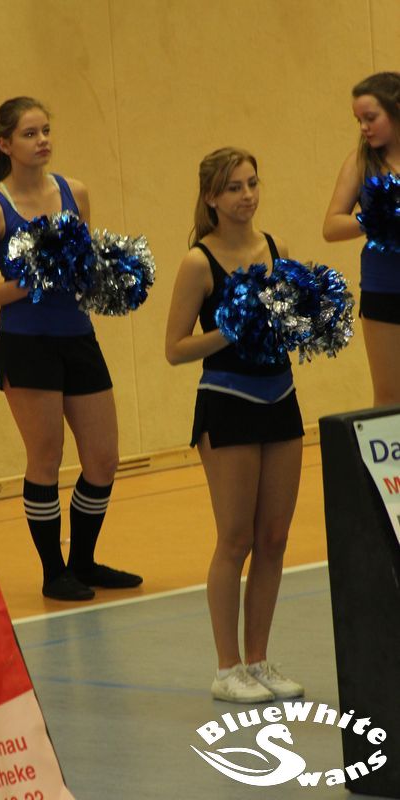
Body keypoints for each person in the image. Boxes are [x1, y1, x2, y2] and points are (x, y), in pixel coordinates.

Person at [0, 96, 142, 601]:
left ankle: (83, 561)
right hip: (25, 345)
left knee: (103, 458)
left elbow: (83, 270)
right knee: (46, 456)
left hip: (78, 338)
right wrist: (31, 281)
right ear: (5, 144)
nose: (42, 140)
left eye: (46, 130)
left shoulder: (73, 192)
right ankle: (53, 571)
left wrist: (110, 277)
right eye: (30, 133)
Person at [165, 148, 304, 702]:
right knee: (236, 538)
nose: (247, 195)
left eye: (252, 183)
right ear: (211, 198)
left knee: (274, 537)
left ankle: (259, 660)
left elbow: (288, 323)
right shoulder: (199, 262)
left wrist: (303, 320)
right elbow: (175, 348)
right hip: (228, 402)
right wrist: (232, 328)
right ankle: (227, 669)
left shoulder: (276, 247)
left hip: (281, 398)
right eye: (234, 188)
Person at [323, 71, 400, 406]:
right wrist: (372, 219)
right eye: (359, 121)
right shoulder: (360, 162)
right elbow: (331, 226)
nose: (364, 127)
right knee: (390, 395)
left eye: (371, 118)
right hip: (384, 288)